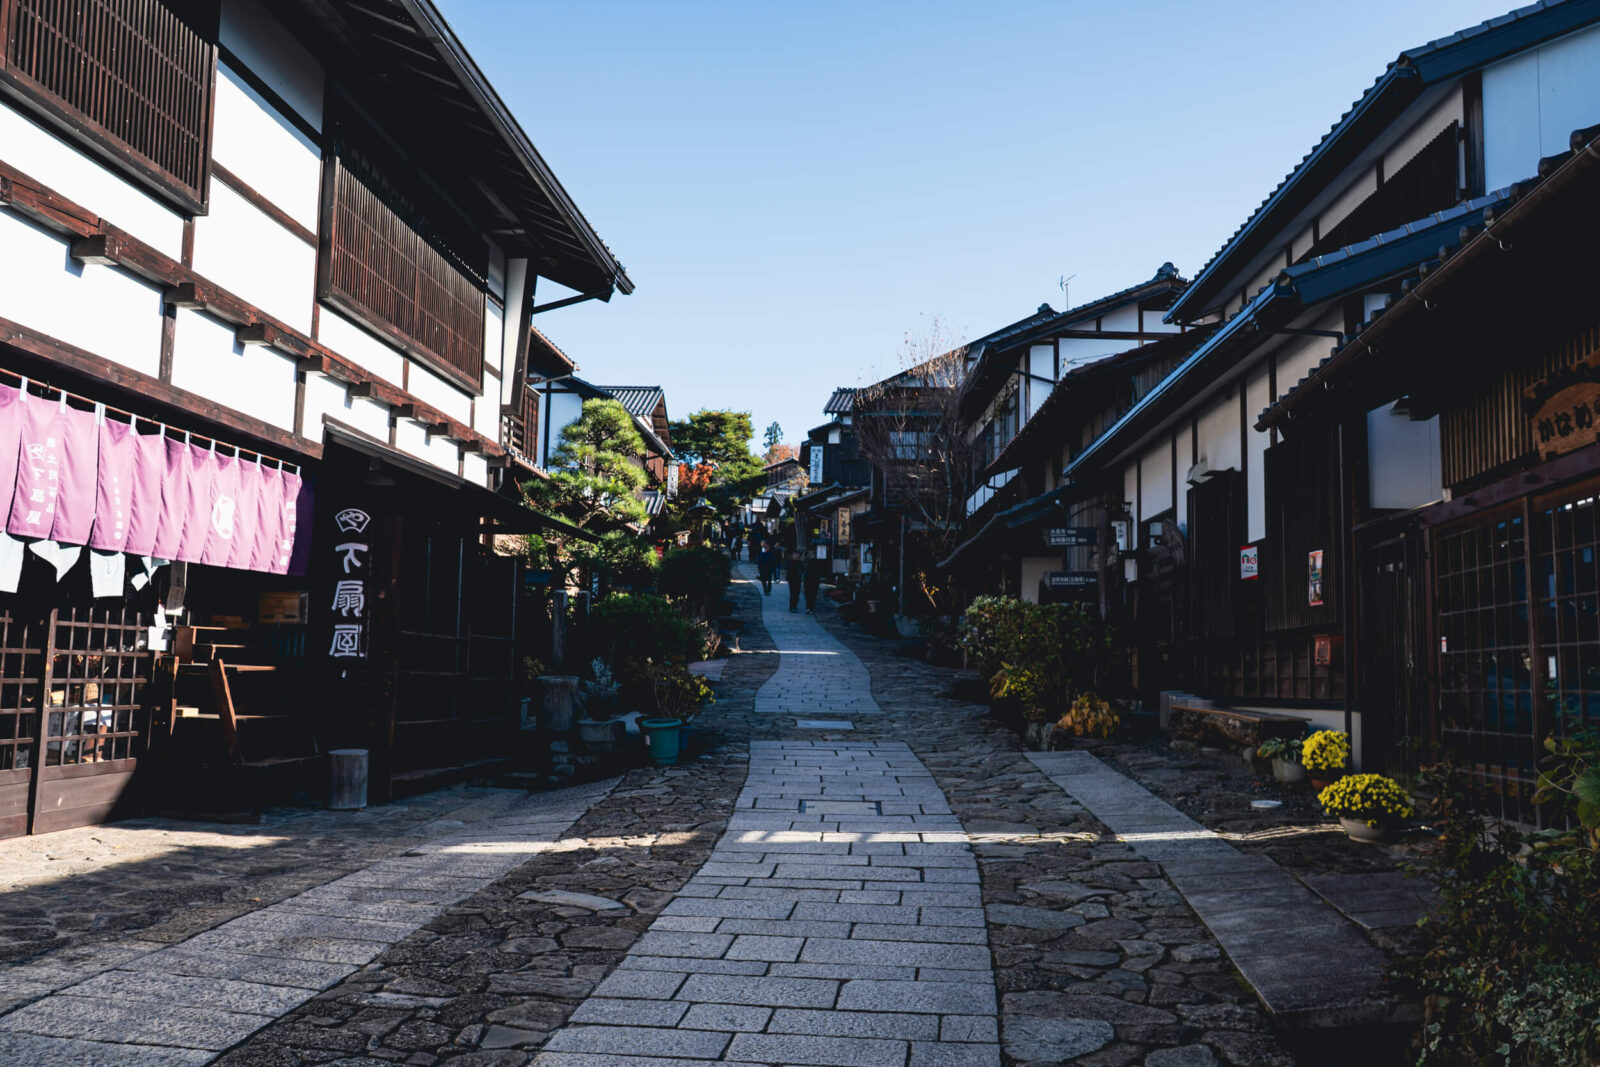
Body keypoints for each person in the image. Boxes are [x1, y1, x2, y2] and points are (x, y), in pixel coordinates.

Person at [803, 547, 823, 614]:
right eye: (810, 552)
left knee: (812, 594)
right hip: (809, 579)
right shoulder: (807, 560)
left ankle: (810, 608)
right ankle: (809, 608)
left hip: (813, 579)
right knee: (809, 594)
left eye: (812, 552)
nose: (811, 553)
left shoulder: (815, 560)